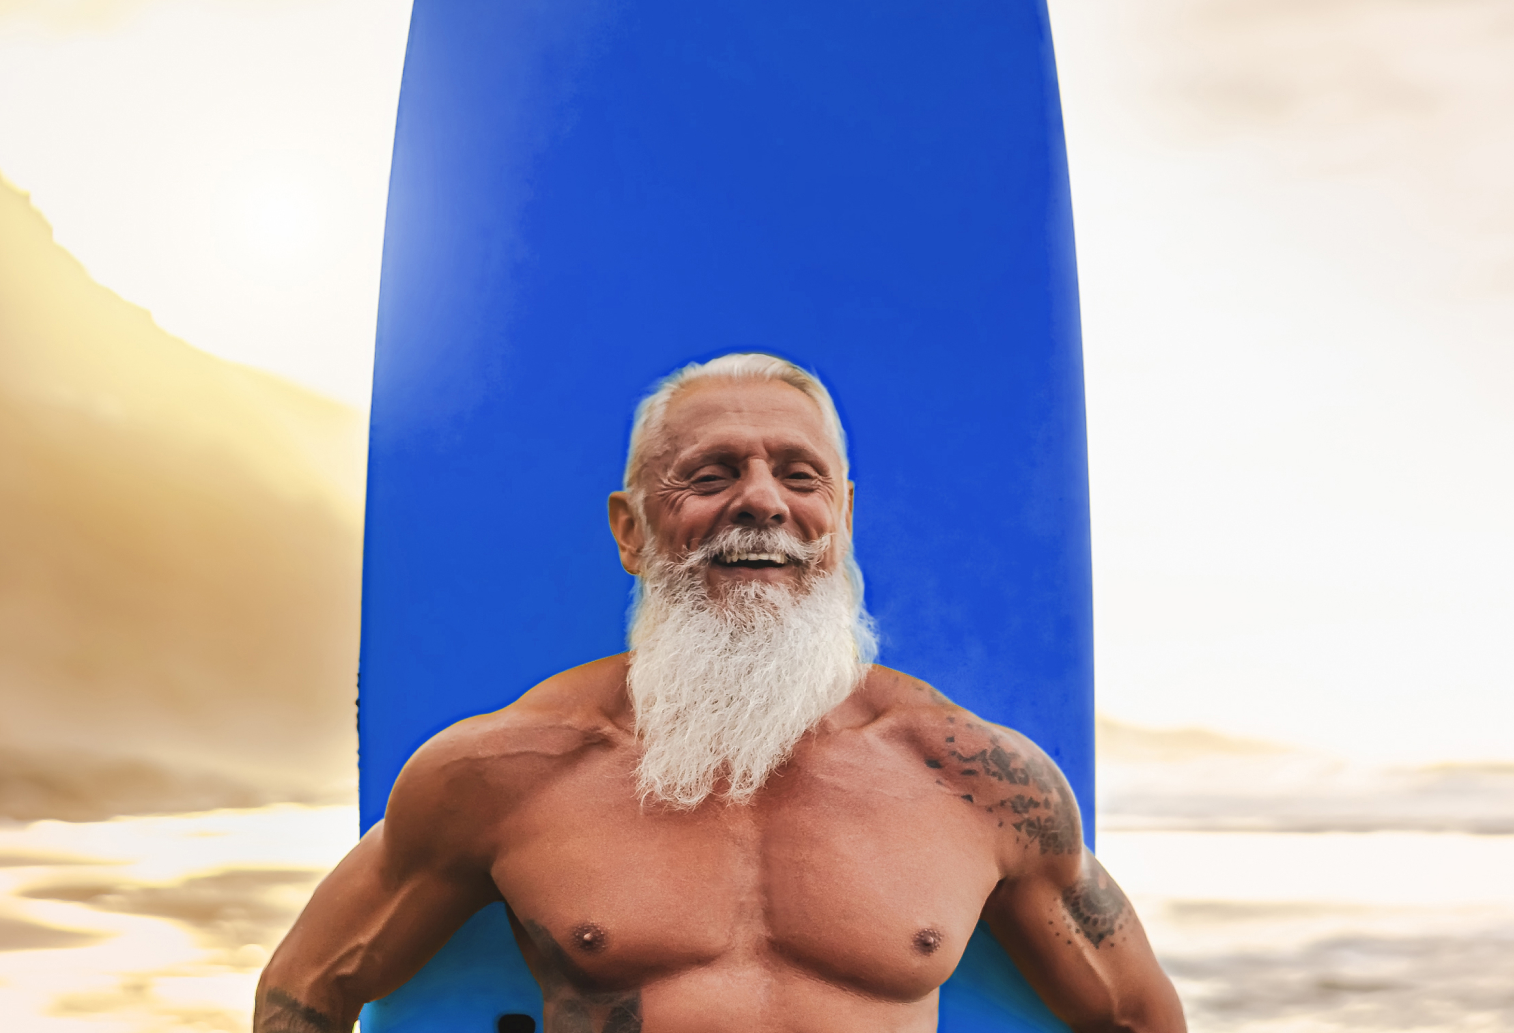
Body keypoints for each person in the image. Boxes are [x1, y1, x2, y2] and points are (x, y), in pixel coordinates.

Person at [256, 353, 1185, 1033]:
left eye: (799, 476)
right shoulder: (505, 772)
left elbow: (1137, 1017)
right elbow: (302, 994)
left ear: (841, 518)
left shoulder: (978, 781)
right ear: (630, 531)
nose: (763, 502)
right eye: (712, 474)